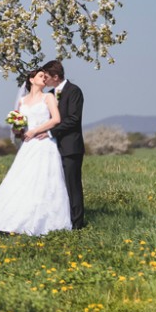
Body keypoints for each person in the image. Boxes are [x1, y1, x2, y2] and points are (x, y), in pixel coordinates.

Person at [0, 68, 72, 236]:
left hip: (44, 143)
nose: (44, 78)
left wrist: (35, 131)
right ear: (31, 79)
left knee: (44, 180)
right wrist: (18, 128)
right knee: (22, 179)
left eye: (46, 76)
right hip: (28, 144)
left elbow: (56, 119)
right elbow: (19, 126)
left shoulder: (48, 97)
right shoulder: (22, 101)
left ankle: (43, 222)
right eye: (41, 76)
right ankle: (11, 219)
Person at [37, 59, 86, 229]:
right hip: (52, 149)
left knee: (72, 186)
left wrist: (51, 132)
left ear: (56, 77)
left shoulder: (74, 91)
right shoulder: (50, 94)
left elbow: (73, 119)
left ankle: (77, 224)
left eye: (47, 77)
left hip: (70, 147)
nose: (44, 80)